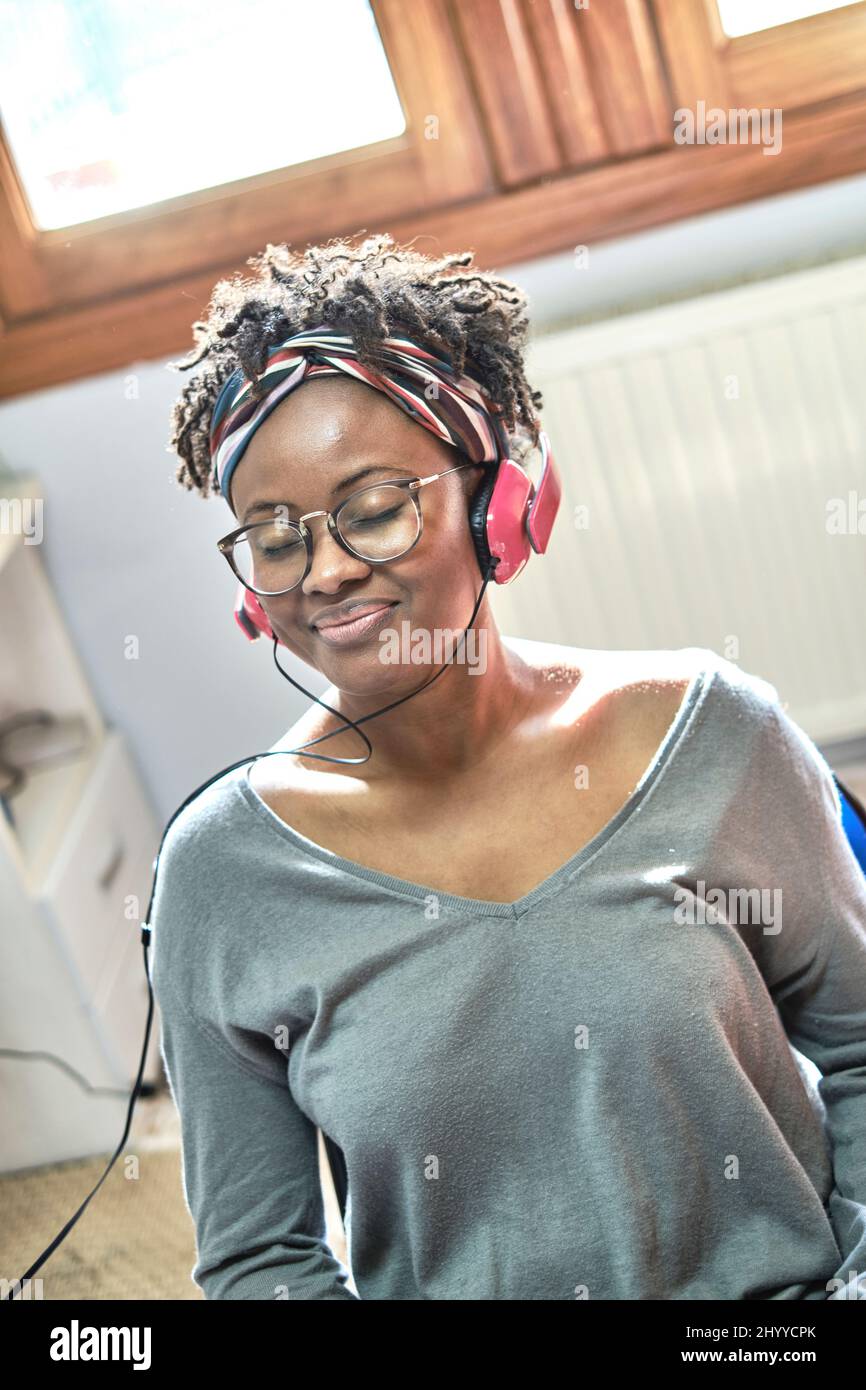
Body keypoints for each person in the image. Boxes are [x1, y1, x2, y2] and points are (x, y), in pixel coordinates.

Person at [151, 233, 866, 1300]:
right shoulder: (223, 875)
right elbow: (260, 1259)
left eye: (376, 508)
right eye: (274, 535)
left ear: (502, 504)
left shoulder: (713, 734)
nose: (328, 569)